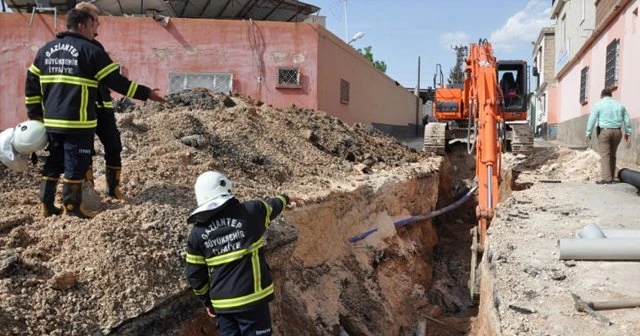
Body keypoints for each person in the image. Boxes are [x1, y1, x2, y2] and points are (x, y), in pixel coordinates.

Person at [24, 8, 165, 218]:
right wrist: (147, 93)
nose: (96, 30)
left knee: (54, 161)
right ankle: (73, 208)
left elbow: (31, 84)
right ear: (82, 26)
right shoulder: (89, 50)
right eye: (93, 25)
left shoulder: (46, 50)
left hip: (52, 121)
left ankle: (46, 205)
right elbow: (117, 82)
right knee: (75, 163)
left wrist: (35, 115)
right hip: (78, 122)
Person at [184, 171, 300, 336]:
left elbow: (194, 274)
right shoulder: (250, 212)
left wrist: (208, 302)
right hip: (252, 301)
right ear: (226, 188)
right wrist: (286, 198)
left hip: (222, 306)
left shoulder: (197, 234)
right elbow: (273, 205)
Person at [75, 2, 128, 200]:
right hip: (83, 108)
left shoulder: (95, 46)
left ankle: (113, 189)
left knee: (114, 145)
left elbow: (109, 77)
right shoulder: (74, 47)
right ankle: (88, 190)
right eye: (95, 20)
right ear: (85, 21)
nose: (98, 25)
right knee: (84, 149)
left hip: (103, 105)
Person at [586, 87, 632, 184]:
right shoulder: (620, 105)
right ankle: (611, 175)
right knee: (612, 154)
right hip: (617, 132)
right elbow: (627, 119)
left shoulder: (598, 105)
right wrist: (628, 133)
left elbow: (592, 119)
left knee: (605, 154)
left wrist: (588, 132)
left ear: (601, 96)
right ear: (611, 95)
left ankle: (606, 178)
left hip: (605, 131)